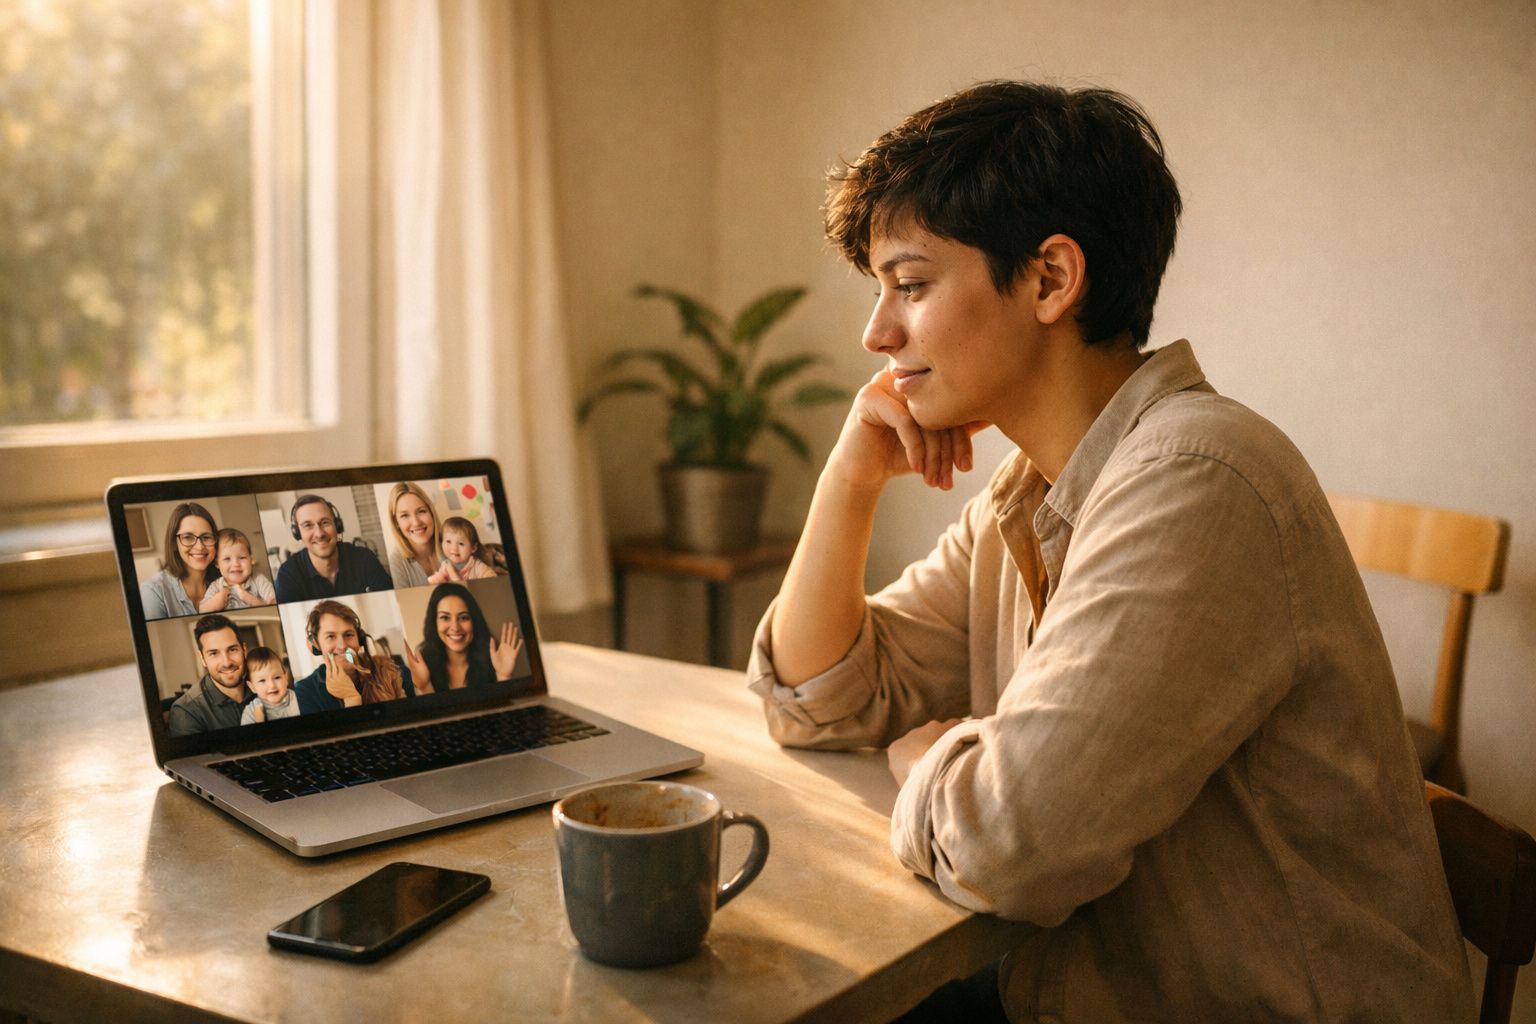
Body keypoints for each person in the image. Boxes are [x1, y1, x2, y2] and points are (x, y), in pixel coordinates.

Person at [748, 81, 1471, 1022]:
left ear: (1051, 278)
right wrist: (847, 483)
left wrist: (929, 758)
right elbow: (819, 701)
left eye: (911, 284)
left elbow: (1011, 848)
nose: (876, 333)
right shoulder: (1030, 495)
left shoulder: (1197, 477)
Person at [291, 599, 415, 714]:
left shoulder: (397, 674)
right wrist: (352, 699)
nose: (342, 646)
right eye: (330, 636)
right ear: (316, 644)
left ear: (360, 639)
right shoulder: (304, 693)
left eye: (348, 635)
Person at [403, 582, 524, 692]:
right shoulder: (424, 666)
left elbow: (503, 709)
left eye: (463, 617)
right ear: (434, 622)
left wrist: (504, 676)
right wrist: (425, 687)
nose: (455, 627)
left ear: (474, 621)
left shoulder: (494, 660)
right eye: (445, 617)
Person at [273, 494, 394, 602]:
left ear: (337, 526)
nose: (319, 534)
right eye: (308, 525)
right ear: (297, 533)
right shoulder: (288, 575)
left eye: (325, 522)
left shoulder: (364, 558)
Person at [167, 614, 251, 736]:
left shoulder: (268, 685)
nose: (226, 662)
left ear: (244, 650)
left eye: (232, 650)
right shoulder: (186, 711)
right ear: (202, 658)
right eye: (214, 653)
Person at [139, 502, 218, 620]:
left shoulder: (226, 582)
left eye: (206, 537)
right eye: (188, 537)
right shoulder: (153, 591)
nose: (200, 546)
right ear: (174, 543)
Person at [199, 528, 277, 611]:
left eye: (242, 558)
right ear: (217, 563)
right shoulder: (216, 586)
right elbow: (202, 609)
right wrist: (218, 600)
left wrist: (249, 599)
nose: (236, 564)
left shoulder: (258, 579)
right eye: (227, 559)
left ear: (251, 559)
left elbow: (274, 603)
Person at [384, 482, 443, 588]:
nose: (416, 522)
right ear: (396, 522)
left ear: (431, 512)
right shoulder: (397, 560)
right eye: (405, 515)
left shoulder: (450, 541)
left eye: (421, 511)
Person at [240, 646, 299, 725]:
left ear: (286, 678)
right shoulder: (251, 711)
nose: (272, 685)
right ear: (252, 687)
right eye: (262, 680)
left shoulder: (299, 699)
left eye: (277, 677)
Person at [432, 516, 501, 581]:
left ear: (473, 547)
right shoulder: (445, 565)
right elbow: (439, 580)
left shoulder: (477, 566)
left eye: (461, 544)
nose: (454, 548)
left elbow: (492, 580)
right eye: (448, 541)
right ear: (441, 543)